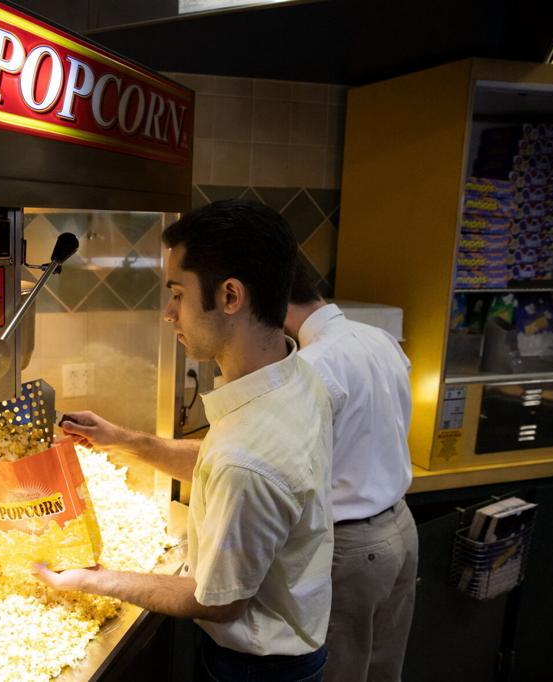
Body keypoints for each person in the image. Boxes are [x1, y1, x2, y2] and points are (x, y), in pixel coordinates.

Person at [33, 200, 335, 682]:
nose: (169, 313)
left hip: (255, 669)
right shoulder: (294, 376)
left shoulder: (248, 458)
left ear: (231, 296)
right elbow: (221, 465)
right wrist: (124, 440)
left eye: (177, 293)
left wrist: (90, 579)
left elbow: (217, 601)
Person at [283, 263, 418, 682]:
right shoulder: (378, 338)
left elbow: (286, 466)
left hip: (352, 545)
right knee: (382, 672)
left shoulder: (311, 365)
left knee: (340, 673)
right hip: (400, 527)